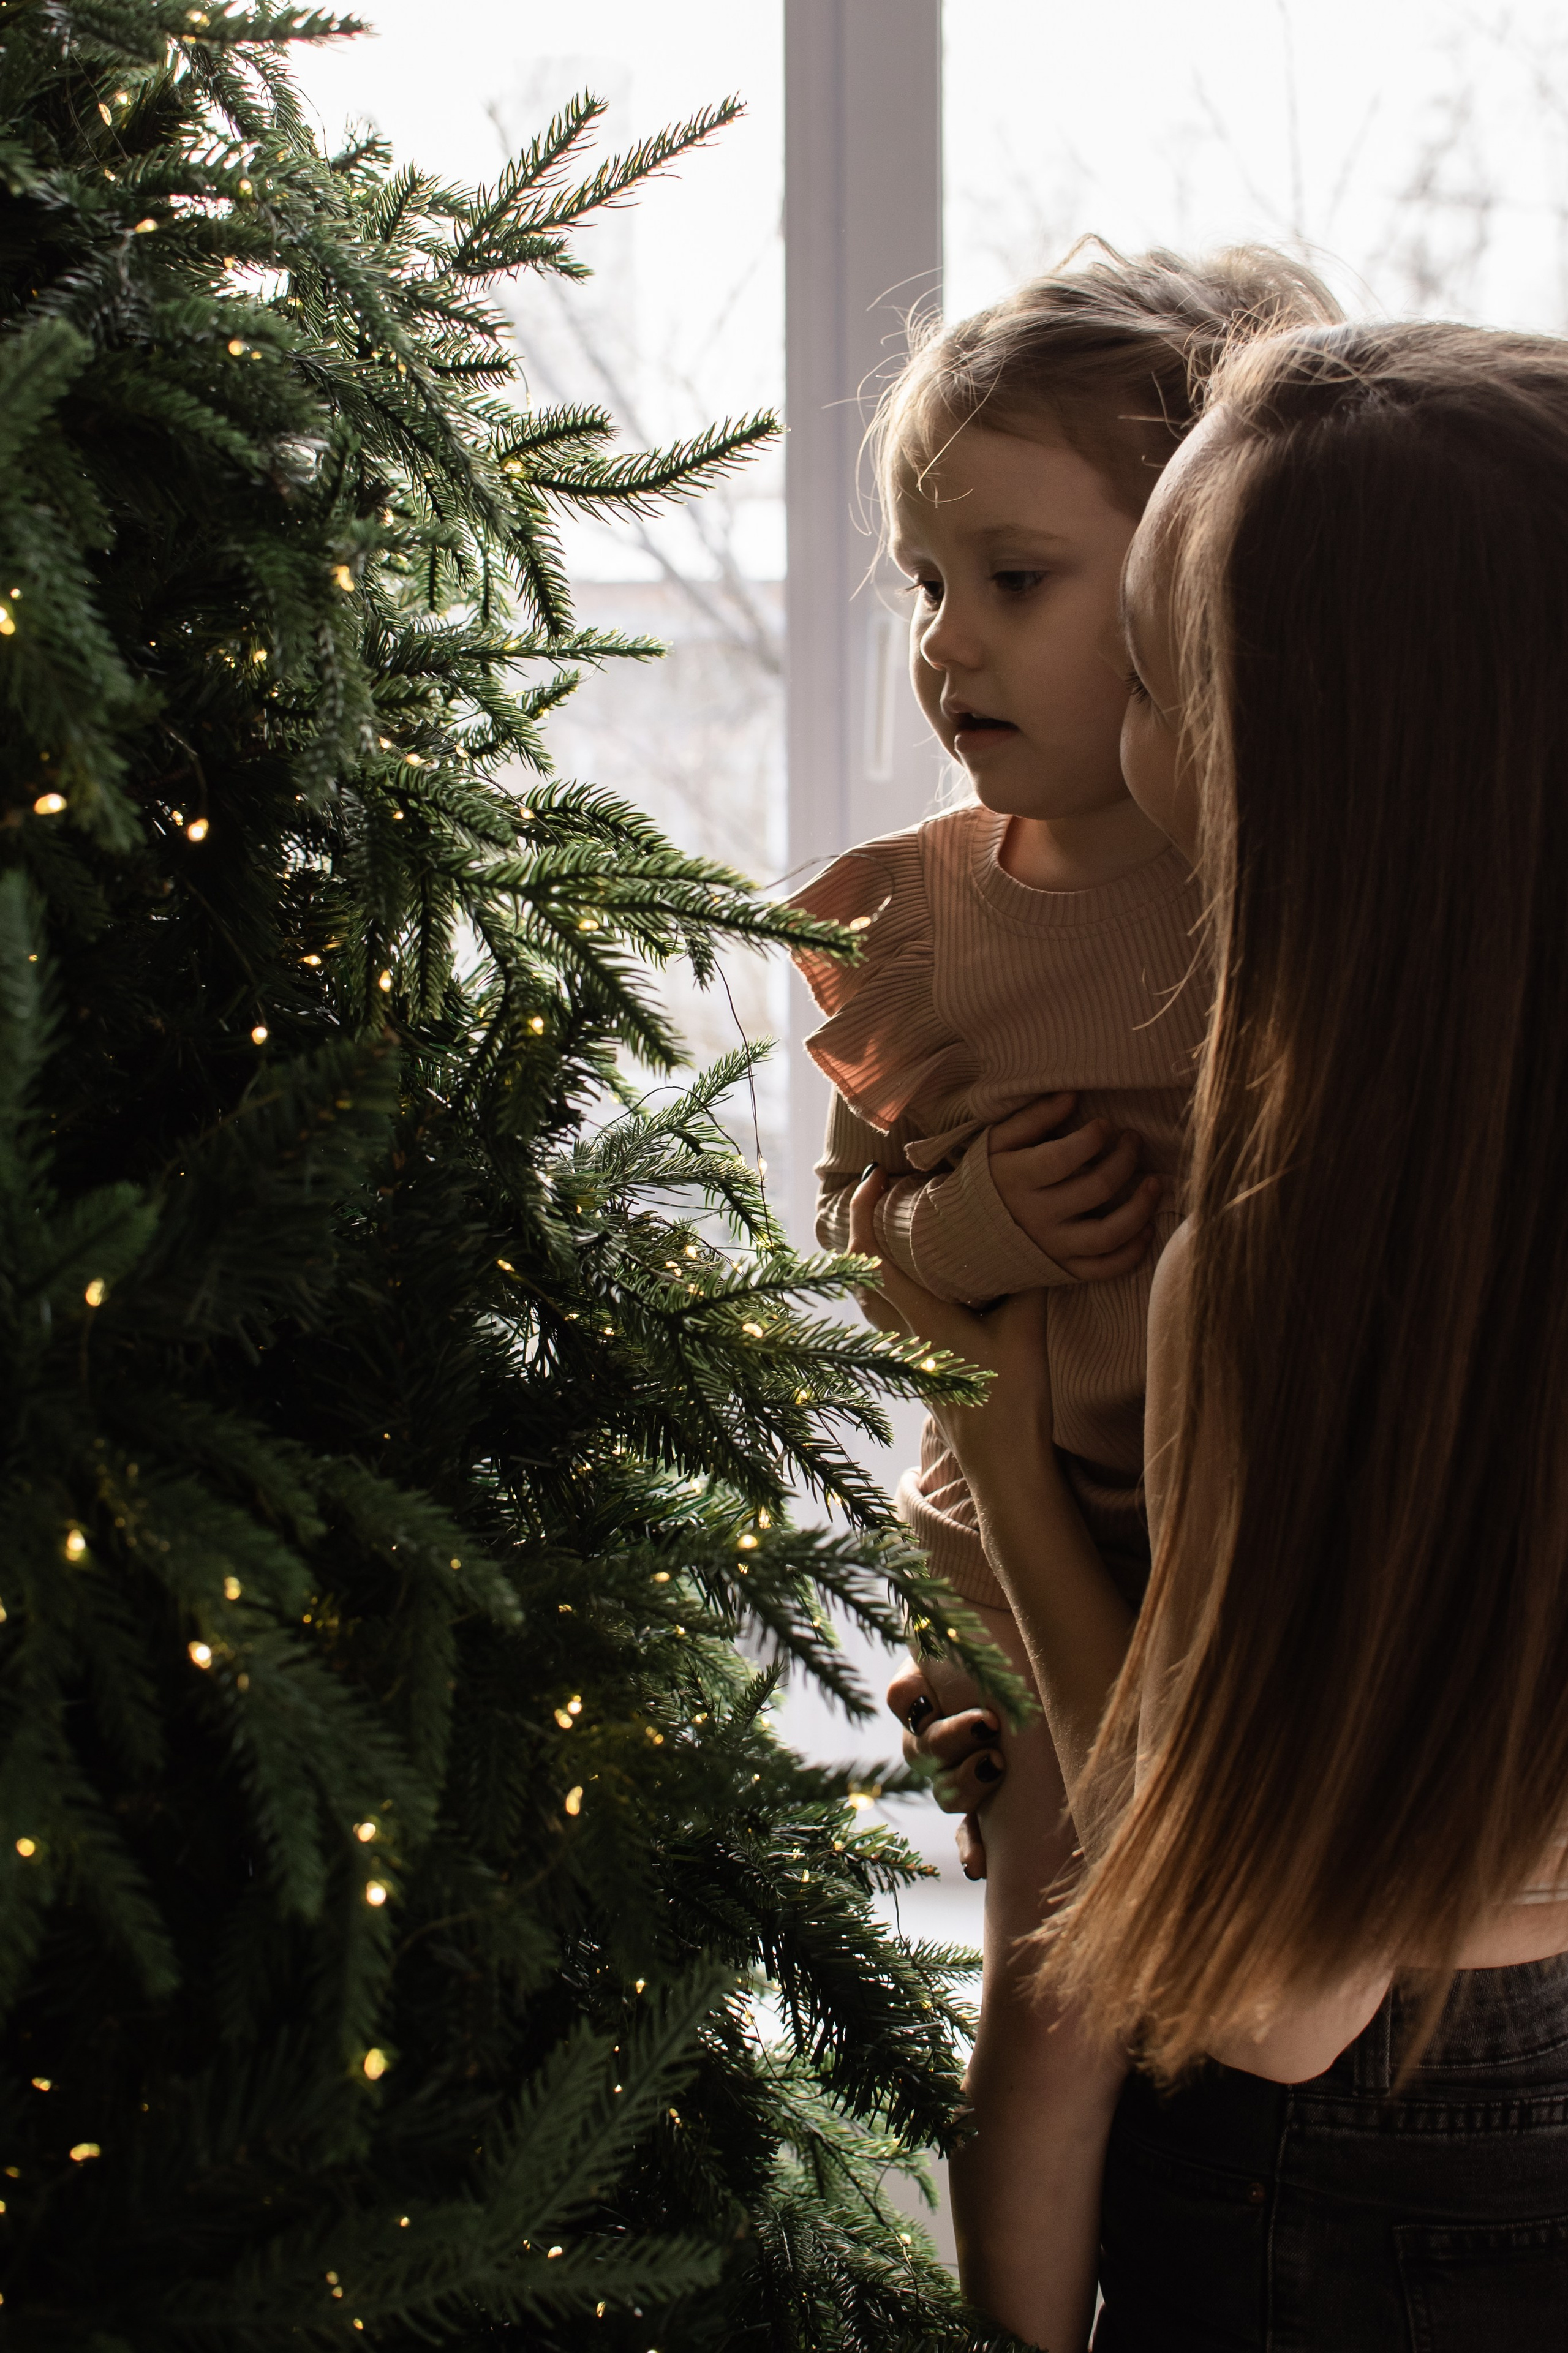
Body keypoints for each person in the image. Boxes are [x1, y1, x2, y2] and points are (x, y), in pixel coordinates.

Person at [873, 320, 1568, 2350]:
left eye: (1167, 686)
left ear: (1320, 773)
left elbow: (1268, 1992)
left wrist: (997, 1449)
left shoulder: (1281, 1263)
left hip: (1346, 2184)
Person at [787, 246, 1340, 2343]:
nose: (950, 646)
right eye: (929, 587)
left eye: (1014, 580)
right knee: (1056, 1975)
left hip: (1257, 1543)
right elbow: (857, 1249)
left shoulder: (1285, 881)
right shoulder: (917, 922)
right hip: (1023, 1550)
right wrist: (980, 1240)